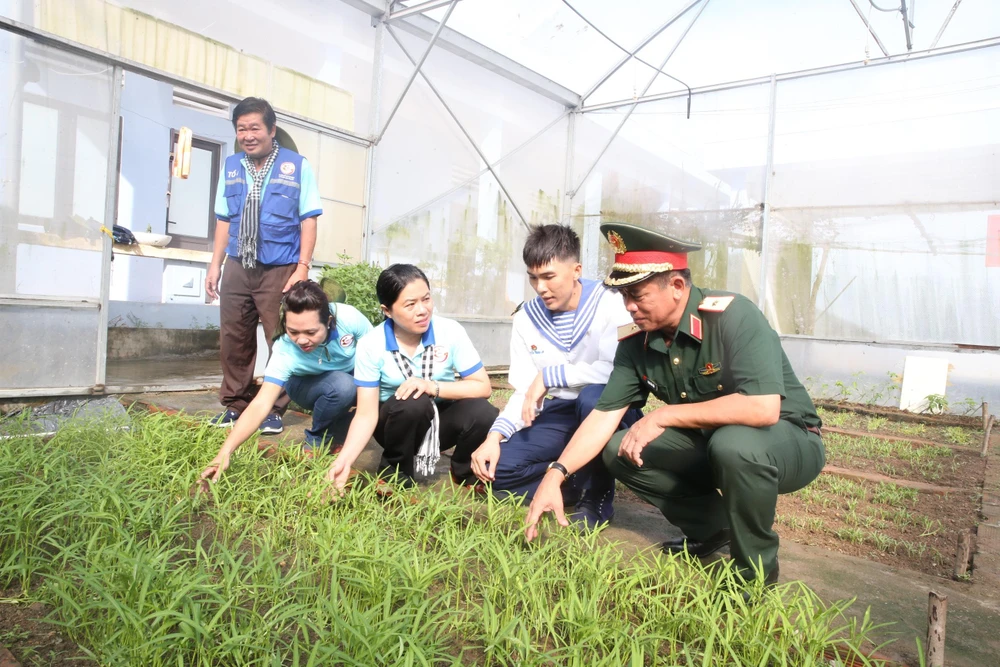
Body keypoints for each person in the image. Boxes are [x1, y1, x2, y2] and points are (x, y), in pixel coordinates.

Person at [524, 222, 825, 591]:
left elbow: (763, 409)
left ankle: (754, 576)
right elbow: (604, 415)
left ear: (678, 287)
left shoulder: (733, 317)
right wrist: (554, 475)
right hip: (710, 444)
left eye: (638, 295)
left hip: (787, 442)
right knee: (618, 450)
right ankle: (715, 528)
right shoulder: (636, 341)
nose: (629, 307)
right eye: (623, 297)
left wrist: (666, 414)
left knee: (734, 444)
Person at [468, 224, 641, 528]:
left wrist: (550, 375)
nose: (540, 287)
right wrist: (494, 437)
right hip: (562, 412)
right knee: (499, 472)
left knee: (591, 395)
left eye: (549, 277)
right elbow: (524, 390)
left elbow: (618, 370)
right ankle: (567, 484)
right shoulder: (526, 319)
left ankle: (595, 498)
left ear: (576, 270)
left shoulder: (612, 302)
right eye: (533, 278)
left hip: (608, 409)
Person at [206, 97, 323, 435]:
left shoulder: (296, 165)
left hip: (280, 267)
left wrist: (302, 267)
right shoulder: (231, 166)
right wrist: (215, 265)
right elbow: (224, 219)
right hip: (238, 265)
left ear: (272, 130)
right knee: (234, 336)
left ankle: (274, 408)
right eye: (241, 129)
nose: (248, 135)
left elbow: (309, 219)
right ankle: (236, 405)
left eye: (255, 127)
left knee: (281, 339)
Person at [325, 264, 498, 492]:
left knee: (483, 411)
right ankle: (394, 474)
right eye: (410, 305)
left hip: (438, 424)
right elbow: (366, 413)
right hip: (395, 425)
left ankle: (463, 470)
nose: (422, 310)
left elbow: (483, 386)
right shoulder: (371, 345)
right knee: (413, 400)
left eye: (426, 299)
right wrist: (344, 461)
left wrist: (431, 386)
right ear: (387, 311)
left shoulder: (450, 331)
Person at [200, 280, 372, 482]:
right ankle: (316, 439)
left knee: (379, 391)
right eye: (293, 332)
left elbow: (377, 354)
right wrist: (225, 453)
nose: (301, 340)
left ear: (328, 321)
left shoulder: (349, 318)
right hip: (305, 385)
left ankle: (339, 432)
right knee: (344, 386)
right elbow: (261, 404)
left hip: (350, 376)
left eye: (310, 332)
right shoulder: (284, 349)